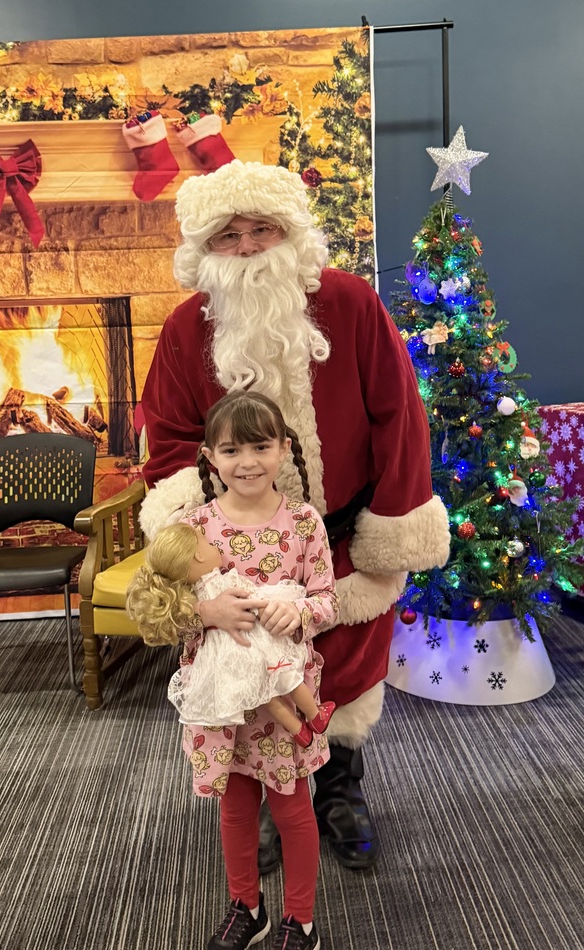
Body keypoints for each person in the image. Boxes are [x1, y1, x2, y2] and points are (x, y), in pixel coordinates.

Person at [139, 160, 451, 872]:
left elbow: (398, 414)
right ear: (205, 248)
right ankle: (270, 793)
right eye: (229, 235)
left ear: (291, 232)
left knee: (344, 668)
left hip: (342, 535)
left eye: (262, 229)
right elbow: (170, 438)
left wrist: (391, 523)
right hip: (239, 552)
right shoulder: (186, 328)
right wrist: (196, 544)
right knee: (255, 673)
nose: (248, 247)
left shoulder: (349, 302)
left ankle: (340, 789)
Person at [134, 390, 340, 950]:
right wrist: (208, 612)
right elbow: (156, 607)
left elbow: (328, 600)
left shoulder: (304, 523)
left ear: (283, 449)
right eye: (231, 450)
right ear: (210, 458)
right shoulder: (192, 528)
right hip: (222, 701)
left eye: (260, 446)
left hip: (281, 699)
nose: (247, 461)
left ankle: (300, 921)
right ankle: (246, 906)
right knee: (235, 805)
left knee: (292, 808)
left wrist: (298, 614)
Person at [126, 519, 337, 744]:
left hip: (226, 662)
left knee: (266, 696)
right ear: (199, 555)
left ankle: (298, 730)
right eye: (208, 543)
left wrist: (203, 612)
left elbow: (176, 620)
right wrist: (268, 605)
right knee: (287, 677)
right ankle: (316, 716)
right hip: (253, 645)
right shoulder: (223, 578)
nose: (214, 546)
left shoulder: (189, 594)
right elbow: (251, 598)